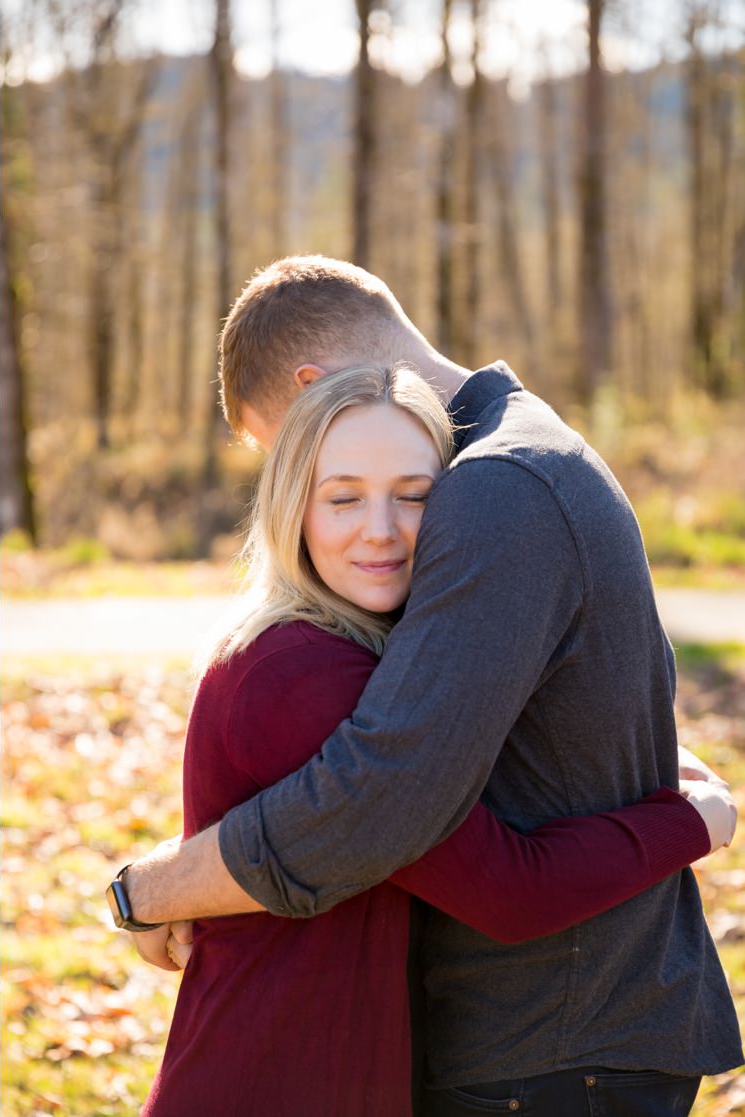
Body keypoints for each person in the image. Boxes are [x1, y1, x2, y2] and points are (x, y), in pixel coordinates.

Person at [117, 256, 743, 1112]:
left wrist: (149, 889)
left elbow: (382, 795)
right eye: (324, 489)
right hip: (543, 1032)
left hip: (554, 1041)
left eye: (285, 448)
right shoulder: (529, 453)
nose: (367, 521)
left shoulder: (496, 487)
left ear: (314, 390)